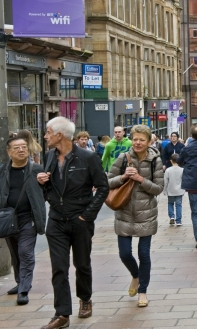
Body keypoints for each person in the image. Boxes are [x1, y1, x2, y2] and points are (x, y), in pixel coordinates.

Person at [37, 117, 109, 329]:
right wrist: (42, 182)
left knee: (82, 264)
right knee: (59, 268)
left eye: (48, 132)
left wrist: (87, 215)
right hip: (56, 220)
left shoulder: (88, 158)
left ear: (60, 135)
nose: (45, 136)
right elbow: (49, 188)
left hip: (80, 220)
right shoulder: (49, 155)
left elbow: (103, 187)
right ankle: (62, 314)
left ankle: (85, 298)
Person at [107, 125, 163, 308]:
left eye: (142, 139)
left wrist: (140, 179)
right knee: (124, 254)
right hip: (124, 212)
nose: (138, 143)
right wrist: (123, 177)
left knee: (144, 254)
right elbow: (107, 182)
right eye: (135, 139)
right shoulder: (124, 158)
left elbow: (158, 188)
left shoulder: (155, 160)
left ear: (149, 141)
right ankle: (136, 275)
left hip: (146, 213)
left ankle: (143, 291)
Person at [0, 136, 46, 305]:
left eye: (24, 147)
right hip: (8, 219)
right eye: (17, 148)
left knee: (25, 252)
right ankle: (20, 282)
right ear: (9, 152)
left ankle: (24, 289)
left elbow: (47, 192)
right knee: (15, 253)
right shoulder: (3, 171)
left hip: (29, 219)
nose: (21, 150)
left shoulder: (36, 170)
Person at [164, 154, 184, 226]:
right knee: (179, 205)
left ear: (171, 161)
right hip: (179, 190)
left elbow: (165, 181)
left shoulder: (168, 170)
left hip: (170, 190)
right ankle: (178, 220)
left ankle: (172, 216)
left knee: (170, 203)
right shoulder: (182, 170)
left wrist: (164, 190)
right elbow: (184, 180)